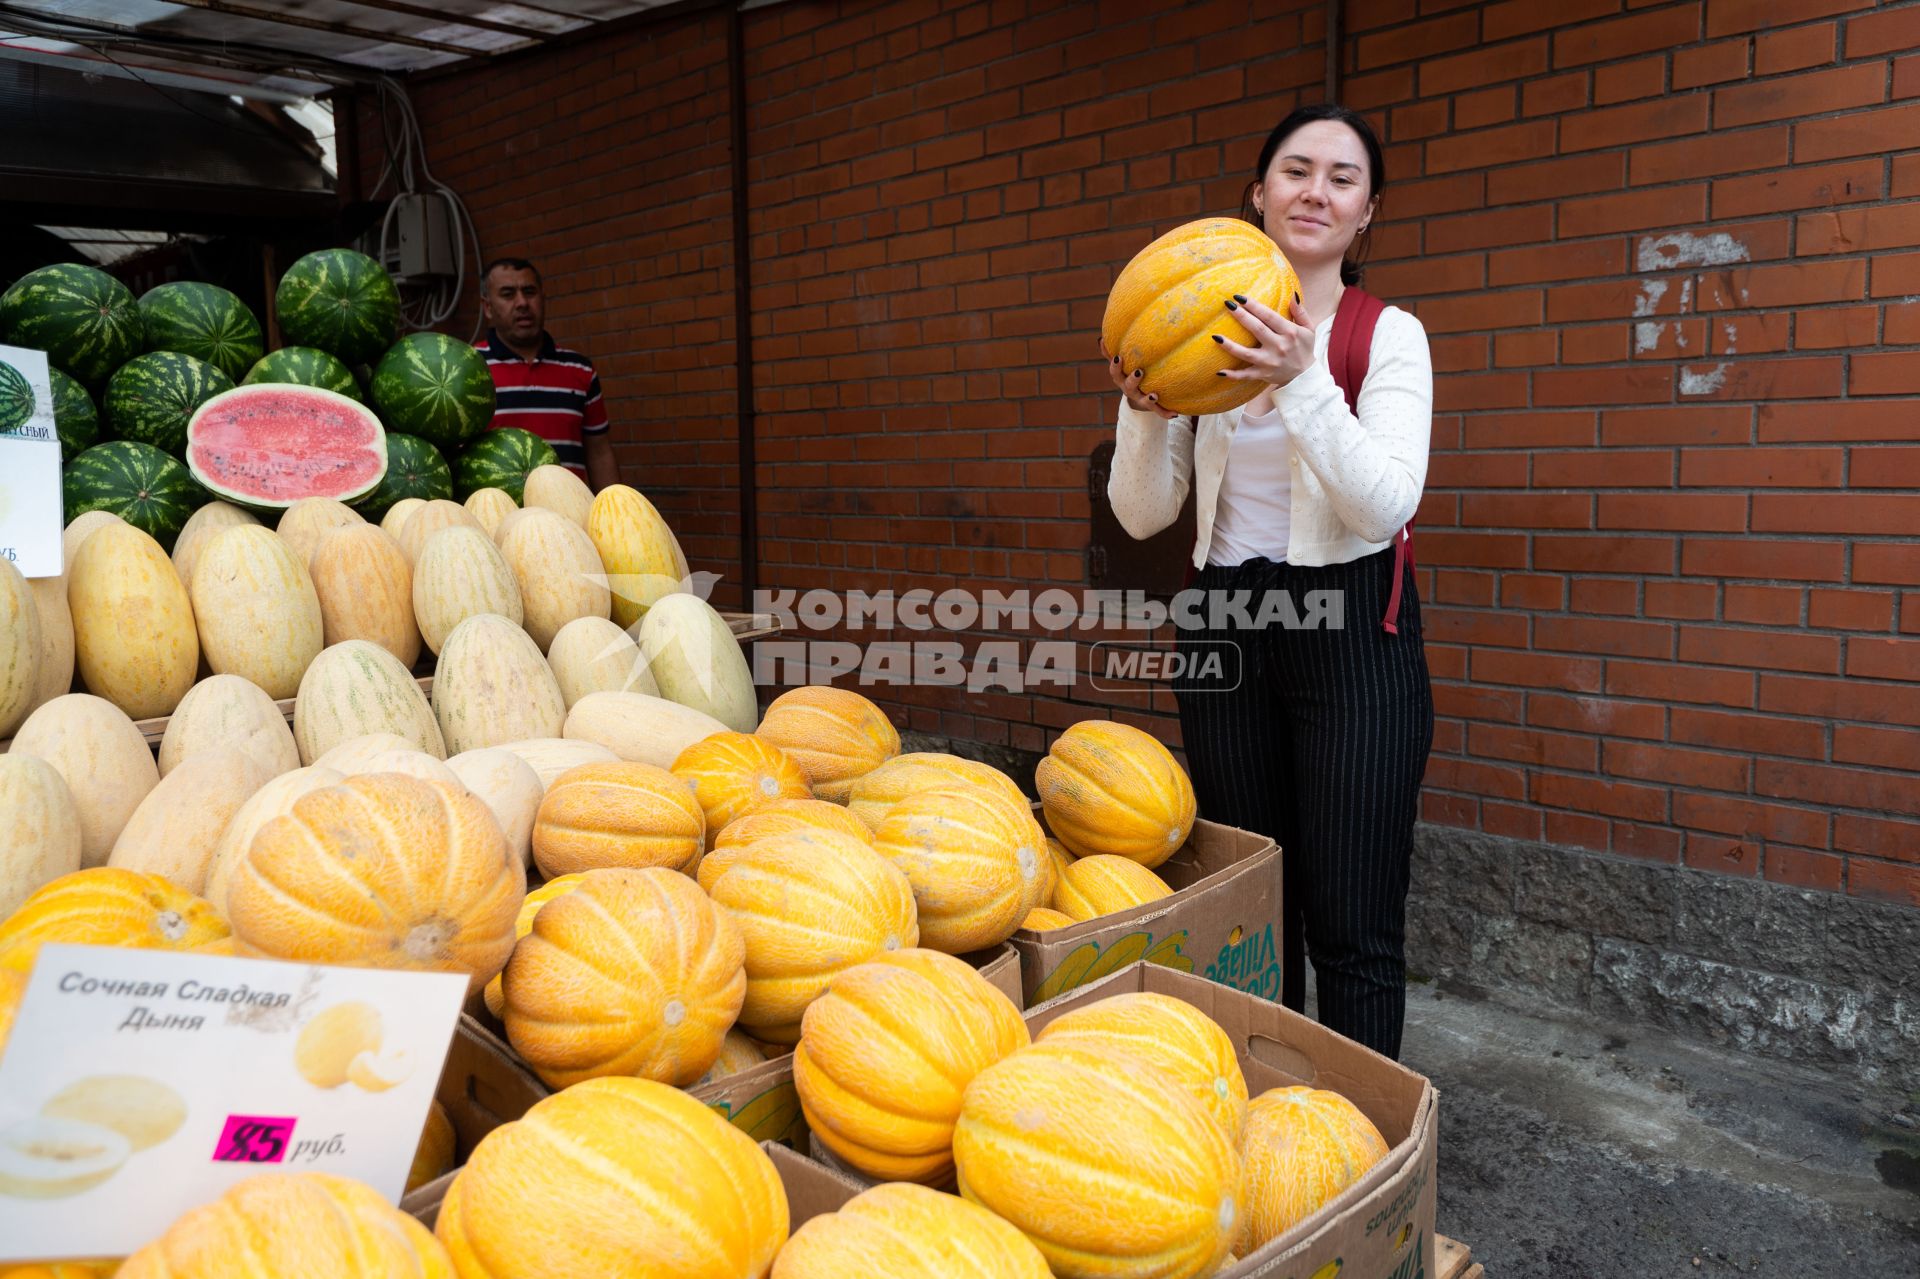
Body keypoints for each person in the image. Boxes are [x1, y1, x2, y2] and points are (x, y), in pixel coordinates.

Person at [1104, 103, 1435, 1060]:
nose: (1316, 192)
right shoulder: (1199, 328)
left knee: (1355, 923)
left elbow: (1384, 506)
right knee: (1254, 912)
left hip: (1350, 634)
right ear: (1258, 192)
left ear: (1367, 211)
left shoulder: (1389, 337)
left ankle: (1358, 1154)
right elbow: (1141, 514)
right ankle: (1261, 1119)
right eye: (1296, 170)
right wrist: (1141, 409)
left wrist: (1298, 375)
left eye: (1343, 177)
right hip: (1225, 623)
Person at [476, 257, 618, 491]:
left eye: (529, 292)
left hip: (571, 516)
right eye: (508, 294)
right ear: (488, 307)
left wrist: (615, 514)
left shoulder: (580, 369)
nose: (522, 302)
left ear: (543, 299)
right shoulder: (471, 369)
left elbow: (600, 453)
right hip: (497, 521)